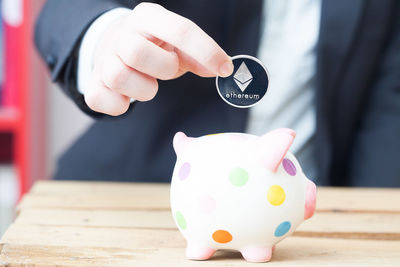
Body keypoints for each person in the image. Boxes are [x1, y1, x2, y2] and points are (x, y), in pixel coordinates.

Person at [35, 0, 400, 187]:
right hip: (137, 196)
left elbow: (389, 107)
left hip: (295, 220)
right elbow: (66, 8)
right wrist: (106, 36)